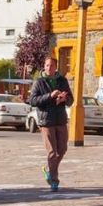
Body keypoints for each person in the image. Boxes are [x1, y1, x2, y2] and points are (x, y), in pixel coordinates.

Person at [28, 56, 73, 192]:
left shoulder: (62, 81)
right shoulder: (39, 82)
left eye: (51, 65)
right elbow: (33, 100)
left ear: (56, 67)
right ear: (44, 66)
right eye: (47, 65)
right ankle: (54, 180)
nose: (49, 68)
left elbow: (71, 100)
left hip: (60, 119)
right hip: (46, 120)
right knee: (52, 152)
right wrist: (50, 96)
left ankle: (48, 169)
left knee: (62, 150)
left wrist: (64, 98)